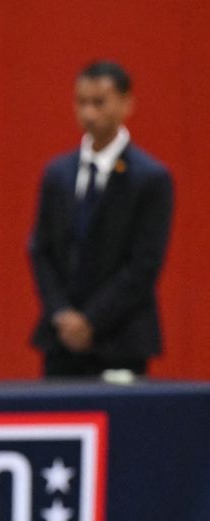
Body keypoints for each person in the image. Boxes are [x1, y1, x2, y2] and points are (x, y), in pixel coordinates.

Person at [29, 61, 173, 377]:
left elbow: (143, 265)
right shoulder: (57, 174)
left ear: (126, 103)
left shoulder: (150, 178)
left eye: (99, 102)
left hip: (121, 340)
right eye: (82, 102)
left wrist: (91, 321)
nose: (89, 113)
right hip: (61, 343)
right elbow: (41, 249)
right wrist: (63, 314)